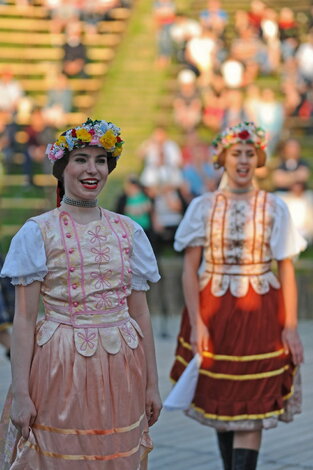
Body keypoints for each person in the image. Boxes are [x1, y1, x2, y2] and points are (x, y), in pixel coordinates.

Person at [0, 117, 162, 469]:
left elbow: (142, 314)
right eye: (81, 160)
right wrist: (22, 395)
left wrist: (153, 384)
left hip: (122, 364)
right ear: (62, 169)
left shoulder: (129, 231)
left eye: (100, 160)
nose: (92, 170)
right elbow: (25, 319)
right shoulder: (38, 232)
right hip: (60, 364)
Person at [169, 121, 306, 470]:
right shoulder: (203, 206)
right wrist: (197, 323)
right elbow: (190, 269)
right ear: (223, 159)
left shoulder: (274, 207)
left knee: (252, 398)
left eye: (249, 153)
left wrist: (290, 327)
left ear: (258, 159)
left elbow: (285, 268)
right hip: (214, 309)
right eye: (236, 153)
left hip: (259, 310)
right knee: (222, 396)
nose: (243, 160)